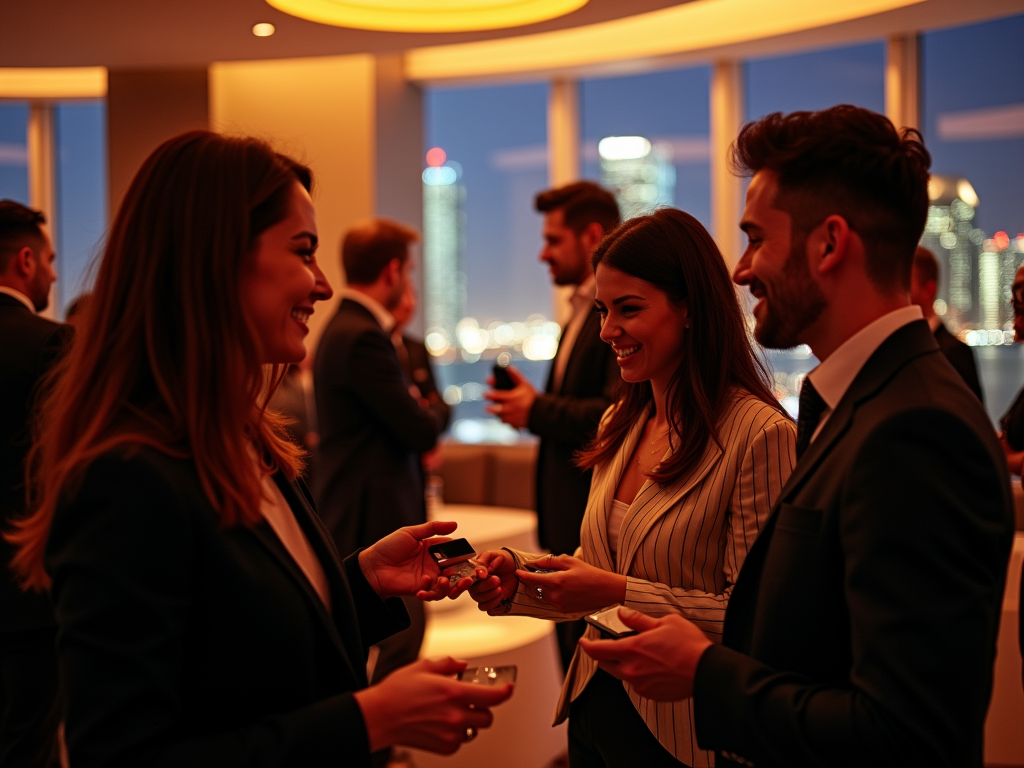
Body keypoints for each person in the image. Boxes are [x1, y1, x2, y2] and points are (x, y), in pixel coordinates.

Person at [5, 131, 511, 768]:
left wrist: (358, 581)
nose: (322, 286)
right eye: (303, 252)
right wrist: (370, 718)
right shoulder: (128, 476)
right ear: (217, 261)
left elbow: (236, 643)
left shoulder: (244, 436)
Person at [576, 106, 1014, 768]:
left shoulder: (915, 430)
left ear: (829, 244)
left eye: (756, 239)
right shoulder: (855, 404)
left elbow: (908, 736)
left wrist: (703, 674)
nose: (742, 270)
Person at [465, 208, 797, 767]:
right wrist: (518, 580)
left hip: (684, 730)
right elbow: (596, 566)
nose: (606, 331)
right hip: (593, 701)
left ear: (690, 308)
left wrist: (616, 592)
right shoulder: (620, 421)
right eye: (602, 310)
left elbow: (755, 623)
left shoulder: (760, 436)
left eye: (629, 309)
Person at [313, 218, 449, 753]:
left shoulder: (344, 330)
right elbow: (417, 426)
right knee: (399, 642)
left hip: (362, 509)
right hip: (376, 517)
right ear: (393, 270)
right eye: (409, 269)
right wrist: (431, 411)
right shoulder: (362, 334)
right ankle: (379, 751)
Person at [485, 181, 621, 672]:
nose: (542, 255)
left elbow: (613, 415)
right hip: (569, 523)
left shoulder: (607, 317)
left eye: (552, 240)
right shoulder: (581, 312)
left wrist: (536, 410)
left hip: (594, 524)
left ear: (591, 237)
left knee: (593, 666)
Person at [0, 200, 68, 768]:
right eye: (47, 259)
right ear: (24, 261)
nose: (51, 272)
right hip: (25, 588)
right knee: (28, 744)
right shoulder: (50, 344)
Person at [910, 246, 983, 401]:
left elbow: (971, 415)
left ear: (929, 290)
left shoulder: (954, 352)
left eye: (906, 284)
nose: (899, 291)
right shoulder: (907, 346)